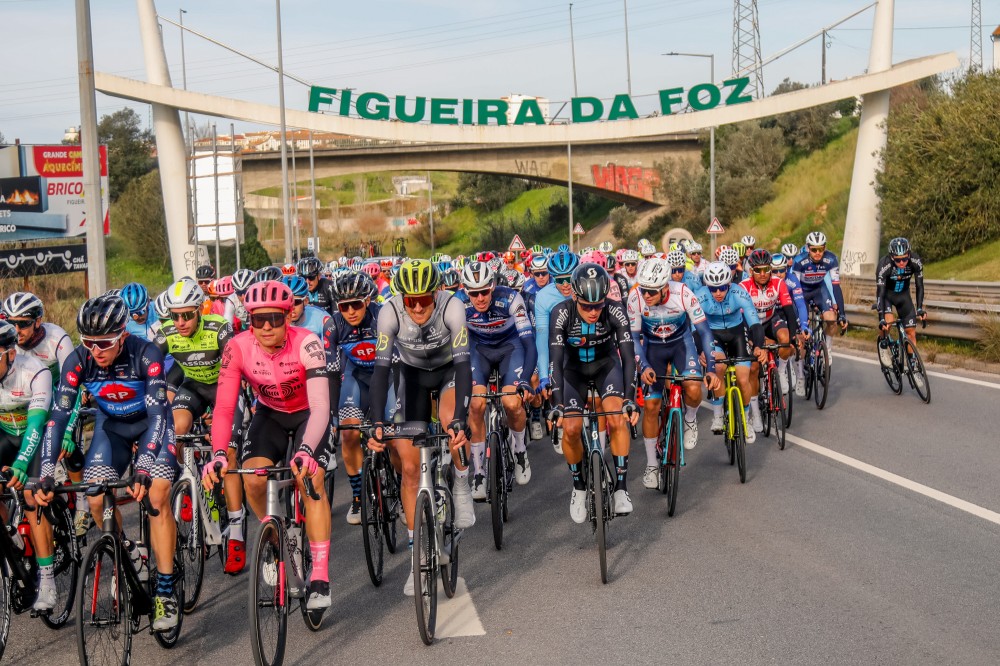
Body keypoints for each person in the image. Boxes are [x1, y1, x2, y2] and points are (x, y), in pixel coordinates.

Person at [35, 295, 181, 631]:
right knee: (96, 495)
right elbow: (57, 417)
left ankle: (165, 589)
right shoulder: (77, 360)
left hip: (151, 426)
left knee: (157, 495)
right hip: (111, 428)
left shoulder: (147, 354)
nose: (95, 350)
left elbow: (160, 414)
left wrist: (143, 467)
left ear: (123, 335)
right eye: (88, 342)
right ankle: (129, 549)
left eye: (104, 343)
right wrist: (44, 474)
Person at [201, 280, 333, 610]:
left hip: (307, 415)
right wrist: (218, 454)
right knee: (253, 479)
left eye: (275, 318)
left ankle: (319, 574)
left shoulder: (308, 342)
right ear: (249, 321)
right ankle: (274, 539)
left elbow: (320, 408)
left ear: (288, 317)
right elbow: (225, 408)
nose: (267, 326)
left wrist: (306, 451)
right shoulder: (238, 346)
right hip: (270, 415)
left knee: (310, 480)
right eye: (258, 319)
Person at [365, 259, 473, 596]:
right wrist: (377, 421)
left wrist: (461, 418)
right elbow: (381, 372)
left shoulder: (453, 307)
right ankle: (418, 555)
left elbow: (465, 365)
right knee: (409, 466)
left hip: (449, 373)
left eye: (423, 299)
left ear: (436, 293)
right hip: (410, 377)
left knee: (448, 421)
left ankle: (463, 484)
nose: (415, 307)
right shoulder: (389, 313)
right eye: (409, 300)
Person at [152, 278, 244, 572]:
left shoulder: (219, 329)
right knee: (175, 429)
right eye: (174, 315)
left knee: (227, 453)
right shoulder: (166, 333)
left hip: (224, 388)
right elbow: (147, 370)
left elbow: (237, 368)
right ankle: (186, 483)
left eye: (187, 315)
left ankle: (238, 530)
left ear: (200, 311)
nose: (180, 322)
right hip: (192, 387)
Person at [546, 263, 639, 521]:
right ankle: (578, 487)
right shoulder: (561, 313)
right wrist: (557, 404)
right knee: (572, 428)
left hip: (605, 366)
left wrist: (629, 399)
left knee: (616, 416)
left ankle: (621, 487)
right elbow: (555, 359)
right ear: (574, 296)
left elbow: (628, 357)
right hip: (572, 371)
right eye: (587, 306)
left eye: (598, 305)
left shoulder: (615, 310)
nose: (593, 311)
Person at [629, 259, 719, 490]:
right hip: (652, 348)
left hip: (682, 343)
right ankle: (651, 465)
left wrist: (710, 369)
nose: (646, 295)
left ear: (665, 288)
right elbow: (633, 339)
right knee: (650, 406)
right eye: (643, 289)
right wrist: (644, 366)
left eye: (651, 291)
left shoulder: (684, 293)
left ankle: (689, 419)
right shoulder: (636, 297)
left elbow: (705, 333)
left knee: (692, 387)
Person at [456, 261, 536, 500]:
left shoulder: (511, 299)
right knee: (476, 405)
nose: (480, 298)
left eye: (484, 291)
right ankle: (479, 471)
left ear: (492, 286)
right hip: (478, 350)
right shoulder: (458, 304)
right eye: (474, 293)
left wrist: (525, 380)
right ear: (465, 291)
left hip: (510, 348)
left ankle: (520, 448)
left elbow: (529, 344)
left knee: (512, 403)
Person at [0, 321, 58, 612]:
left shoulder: (34, 369)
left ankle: (47, 579)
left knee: (31, 497)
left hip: (37, 433)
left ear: (10, 354)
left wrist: (21, 463)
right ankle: (10, 537)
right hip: (5, 434)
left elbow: (35, 425)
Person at [325, 271, 385, 525]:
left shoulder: (382, 317)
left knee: (393, 434)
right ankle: (359, 495)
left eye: (356, 304)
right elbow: (331, 373)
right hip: (356, 376)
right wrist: (332, 417)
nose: (350, 311)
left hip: (387, 375)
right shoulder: (334, 325)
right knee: (349, 433)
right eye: (344, 306)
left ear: (367, 301)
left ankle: (401, 486)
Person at [698, 262, 769, 444]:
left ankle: (745, 419)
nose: (718, 293)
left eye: (722, 288)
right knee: (719, 368)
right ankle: (718, 415)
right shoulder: (701, 296)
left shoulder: (738, 293)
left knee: (743, 378)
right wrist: (701, 350)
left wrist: (759, 346)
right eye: (713, 289)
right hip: (713, 335)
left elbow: (754, 322)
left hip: (737, 333)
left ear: (728, 284)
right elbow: (694, 327)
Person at [740, 249, 801, 430]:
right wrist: (758, 342)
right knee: (754, 367)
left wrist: (793, 337)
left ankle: (780, 371)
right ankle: (755, 414)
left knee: (785, 338)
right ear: (751, 271)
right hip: (750, 325)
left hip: (770, 320)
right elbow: (744, 320)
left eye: (766, 269)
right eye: (758, 270)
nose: (763, 274)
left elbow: (789, 310)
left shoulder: (778, 283)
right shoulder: (744, 287)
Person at [792, 232, 849, 355]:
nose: (818, 253)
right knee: (803, 329)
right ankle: (801, 370)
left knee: (832, 319)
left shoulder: (831, 259)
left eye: (821, 249)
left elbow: (835, 286)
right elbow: (794, 288)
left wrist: (842, 314)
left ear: (825, 248)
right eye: (814, 250)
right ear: (808, 248)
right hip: (802, 291)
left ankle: (827, 348)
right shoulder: (799, 261)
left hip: (819, 289)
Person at [876, 237, 926, 351]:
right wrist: (881, 317)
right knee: (888, 321)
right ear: (891, 257)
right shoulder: (884, 265)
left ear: (909, 254)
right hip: (887, 296)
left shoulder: (915, 261)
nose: (902, 262)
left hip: (903, 296)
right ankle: (883, 345)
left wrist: (919, 308)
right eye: (898, 260)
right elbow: (881, 293)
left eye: (904, 258)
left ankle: (912, 363)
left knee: (911, 333)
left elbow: (920, 286)